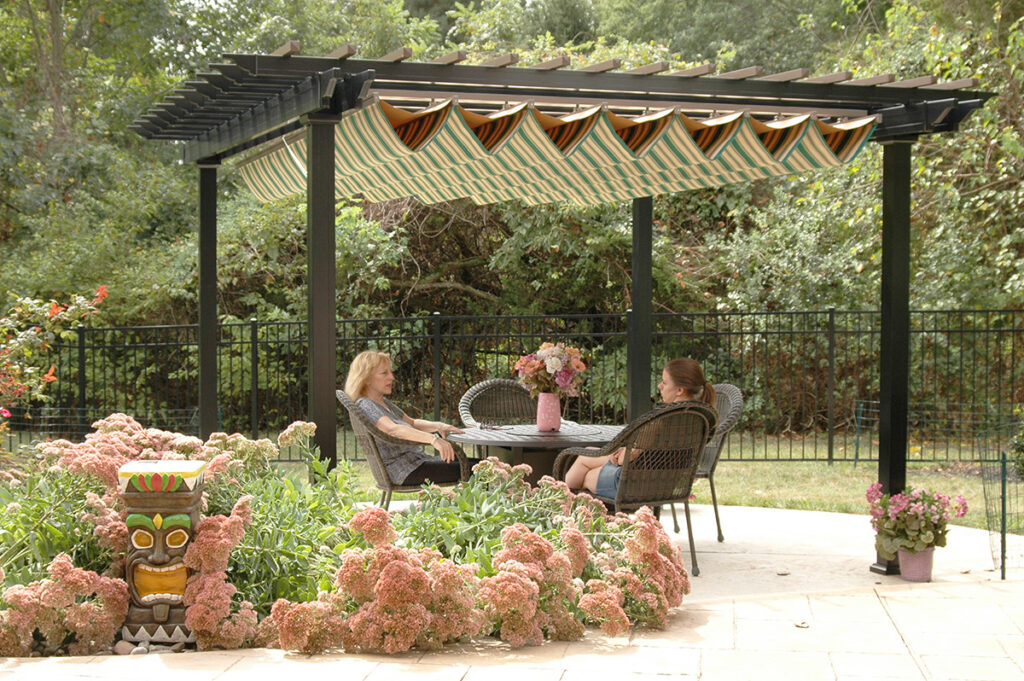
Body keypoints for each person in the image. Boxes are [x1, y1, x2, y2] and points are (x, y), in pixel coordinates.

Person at [563, 358, 716, 497]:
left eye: (665, 382)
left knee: (587, 471)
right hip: (668, 484)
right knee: (588, 453)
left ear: (680, 390)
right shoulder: (703, 418)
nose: (659, 386)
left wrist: (621, 454)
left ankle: (563, 507)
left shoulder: (662, 420)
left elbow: (625, 460)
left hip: (633, 484)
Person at [345, 350, 471, 486]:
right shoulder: (366, 405)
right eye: (384, 373)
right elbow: (393, 430)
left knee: (480, 464)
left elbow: (412, 423)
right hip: (406, 471)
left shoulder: (383, 402)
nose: (392, 377)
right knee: (481, 468)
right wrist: (433, 440)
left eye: (390, 372)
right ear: (366, 378)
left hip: (417, 463)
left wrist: (439, 426)